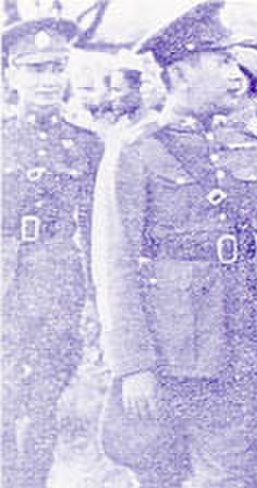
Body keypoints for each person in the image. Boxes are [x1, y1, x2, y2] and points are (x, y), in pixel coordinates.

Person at [94, 3, 257, 486]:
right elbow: (115, 264)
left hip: (234, 340)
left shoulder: (244, 142)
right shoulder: (136, 149)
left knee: (231, 472)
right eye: (219, 61)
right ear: (181, 73)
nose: (231, 73)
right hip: (167, 350)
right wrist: (133, 365)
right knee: (159, 472)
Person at [1, 17, 103, 488]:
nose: (47, 80)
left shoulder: (86, 146)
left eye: (56, 68)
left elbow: (98, 230)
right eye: (35, 69)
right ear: (12, 76)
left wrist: (94, 303)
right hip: (5, 287)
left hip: (58, 289)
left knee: (43, 407)